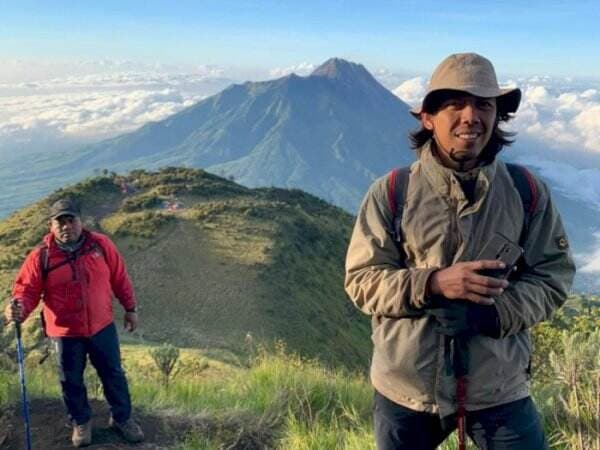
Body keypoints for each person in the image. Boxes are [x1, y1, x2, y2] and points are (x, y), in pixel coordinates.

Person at [345, 53, 575, 450]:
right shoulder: (392, 192)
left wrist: (494, 314)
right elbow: (362, 281)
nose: (471, 116)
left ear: (497, 117)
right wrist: (433, 283)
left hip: (499, 388)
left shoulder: (526, 192)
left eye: (484, 105)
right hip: (407, 389)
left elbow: (552, 278)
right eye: (455, 104)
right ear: (428, 118)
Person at [4, 198, 144, 447]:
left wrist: (130, 308)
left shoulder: (100, 245)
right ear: (51, 225)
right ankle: (81, 422)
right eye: (61, 222)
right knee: (71, 380)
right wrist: (17, 310)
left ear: (81, 222)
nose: (66, 226)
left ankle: (122, 418)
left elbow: (119, 277)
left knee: (113, 374)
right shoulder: (41, 257)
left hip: (102, 325)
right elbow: (26, 291)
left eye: (71, 220)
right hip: (65, 333)